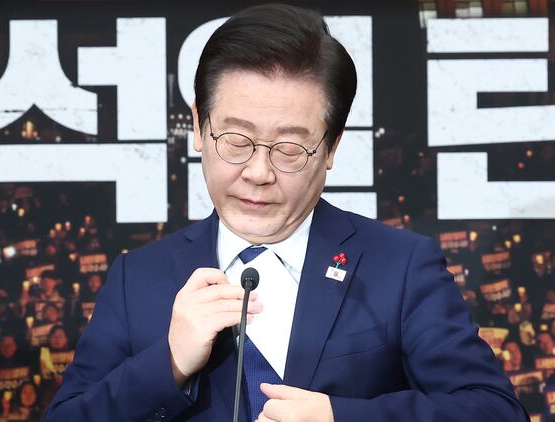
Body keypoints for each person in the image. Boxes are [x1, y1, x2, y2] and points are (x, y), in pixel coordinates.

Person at [43, 4, 528, 421]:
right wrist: (167, 364)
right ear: (198, 127)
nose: (258, 172)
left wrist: (340, 416)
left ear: (331, 147)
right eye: (236, 140)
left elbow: (495, 411)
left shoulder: (400, 267)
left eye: (290, 148)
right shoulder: (136, 279)